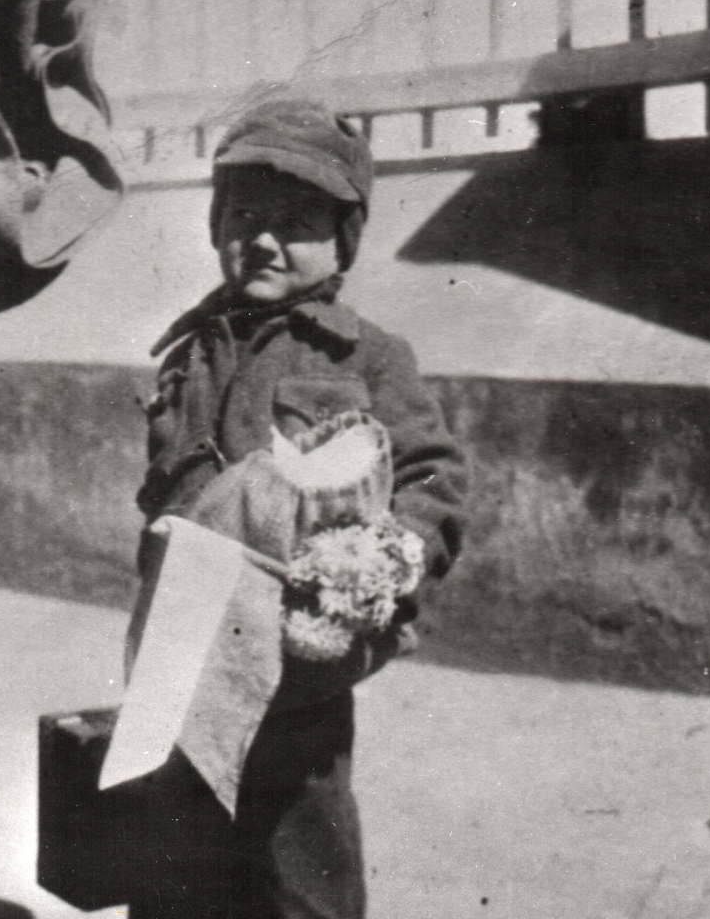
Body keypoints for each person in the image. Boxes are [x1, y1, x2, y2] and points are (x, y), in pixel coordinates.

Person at [131, 98, 467, 919]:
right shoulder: (191, 353)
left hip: (296, 658)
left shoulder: (369, 358)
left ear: (342, 240)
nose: (265, 239)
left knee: (298, 860)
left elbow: (431, 480)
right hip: (182, 647)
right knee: (173, 865)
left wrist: (389, 562)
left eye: (297, 221)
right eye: (244, 214)